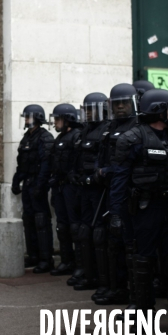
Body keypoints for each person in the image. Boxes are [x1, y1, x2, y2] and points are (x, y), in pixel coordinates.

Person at [111, 89, 168, 314]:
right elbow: (119, 180)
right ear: (159, 111)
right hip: (143, 209)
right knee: (142, 259)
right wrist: (116, 213)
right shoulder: (131, 139)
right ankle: (142, 308)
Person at [93, 83, 138, 306]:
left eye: (124, 103)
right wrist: (99, 170)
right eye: (116, 103)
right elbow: (100, 155)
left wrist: (108, 171)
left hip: (130, 193)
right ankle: (116, 287)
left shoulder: (138, 126)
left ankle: (134, 294)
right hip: (109, 190)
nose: (120, 107)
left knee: (130, 247)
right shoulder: (110, 127)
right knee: (112, 243)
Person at [70, 92, 110, 291]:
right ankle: (88, 273)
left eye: (91, 109)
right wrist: (77, 175)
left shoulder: (106, 129)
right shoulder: (86, 130)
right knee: (84, 231)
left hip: (99, 189)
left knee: (100, 234)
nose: (87, 113)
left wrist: (95, 176)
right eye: (86, 110)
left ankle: (103, 281)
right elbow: (79, 157)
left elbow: (104, 159)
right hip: (83, 188)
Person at [11, 105, 55, 273]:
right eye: (25, 117)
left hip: (38, 183)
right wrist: (16, 181)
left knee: (41, 221)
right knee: (28, 220)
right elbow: (21, 163)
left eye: (28, 117)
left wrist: (40, 185)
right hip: (28, 183)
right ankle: (34, 255)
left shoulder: (45, 137)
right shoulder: (26, 138)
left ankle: (46, 258)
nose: (26, 120)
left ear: (37, 118)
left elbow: (46, 164)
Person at [48, 104, 82, 276]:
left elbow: (78, 162)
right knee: (62, 226)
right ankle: (66, 260)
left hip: (70, 187)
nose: (55, 122)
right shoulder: (60, 137)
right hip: (59, 186)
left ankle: (79, 263)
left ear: (68, 119)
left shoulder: (76, 136)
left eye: (58, 119)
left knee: (74, 226)